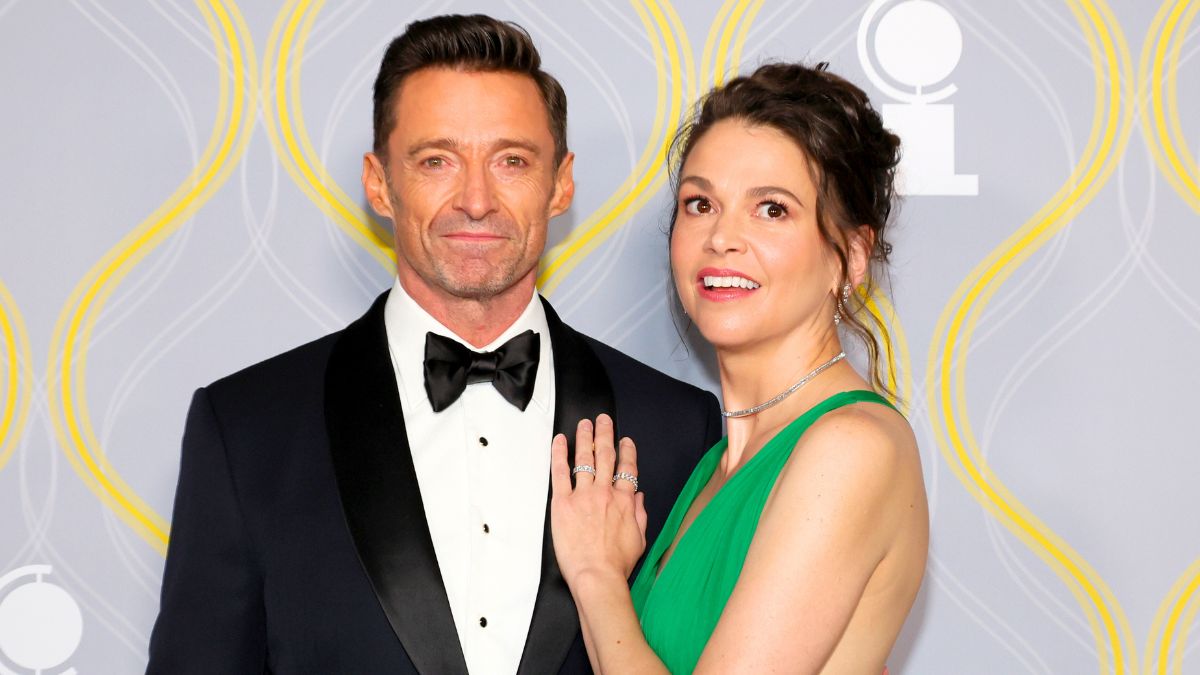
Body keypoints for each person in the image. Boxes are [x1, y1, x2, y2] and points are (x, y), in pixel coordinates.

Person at [146, 14, 721, 675]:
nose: (475, 200)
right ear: (378, 182)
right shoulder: (247, 428)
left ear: (560, 183)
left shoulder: (677, 427)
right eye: (436, 161)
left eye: (511, 161)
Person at [549, 62, 929, 673]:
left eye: (772, 209)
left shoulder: (850, 447)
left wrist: (595, 574)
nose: (722, 237)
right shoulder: (717, 464)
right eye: (700, 203)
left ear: (850, 257)